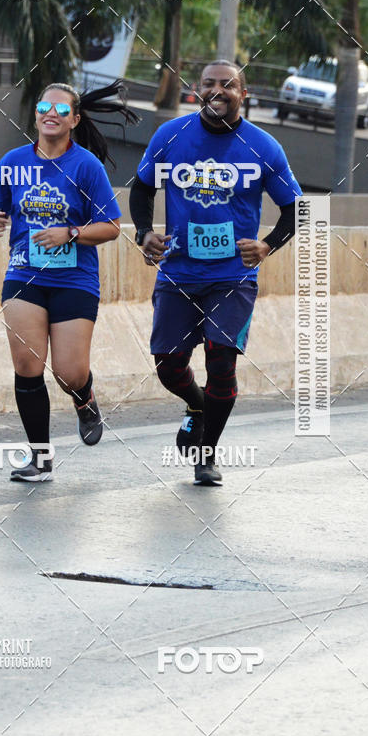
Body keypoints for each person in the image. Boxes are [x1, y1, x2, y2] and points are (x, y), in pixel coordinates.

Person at [130, 60, 302, 486]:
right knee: (169, 366)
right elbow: (142, 187)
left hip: (232, 276)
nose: (217, 90)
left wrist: (266, 245)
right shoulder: (170, 135)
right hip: (178, 272)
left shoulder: (263, 146)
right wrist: (145, 232)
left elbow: (295, 208)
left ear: (243, 94)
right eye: (209, 83)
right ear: (198, 89)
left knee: (221, 361)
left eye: (228, 84)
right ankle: (197, 404)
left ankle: (206, 454)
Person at [0, 80, 138, 482]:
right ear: (36, 115)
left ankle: (85, 398)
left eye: (62, 110)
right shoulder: (13, 161)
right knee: (27, 364)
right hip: (24, 273)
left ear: (74, 120)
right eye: (45, 107)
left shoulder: (86, 166)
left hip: (74, 279)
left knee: (68, 373)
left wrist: (72, 233)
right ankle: (40, 458)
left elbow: (112, 226)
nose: (52, 114)